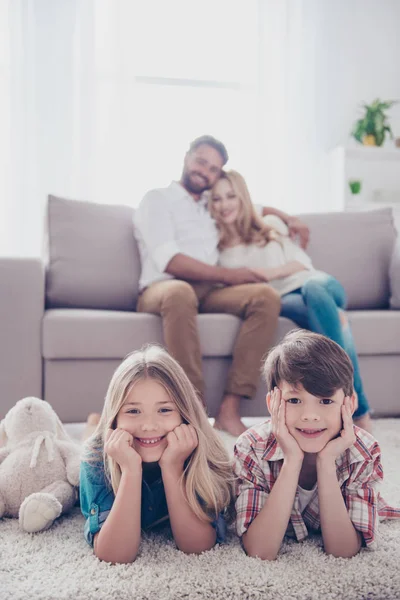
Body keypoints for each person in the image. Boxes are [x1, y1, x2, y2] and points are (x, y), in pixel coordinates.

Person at [134, 135, 310, 437]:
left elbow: (248, 203)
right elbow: (169, 260)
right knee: (180, 292)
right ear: (187, 157)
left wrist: (287, 216)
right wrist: (230, 275)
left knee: (265, 296)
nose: (206, 171)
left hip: (208, 291)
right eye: (201, 161)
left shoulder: (209, 202)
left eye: (214, 169)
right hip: (163, 288)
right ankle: (195, 410)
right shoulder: (157, 199)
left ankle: (230, 408)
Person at [210, 169, 371, 432]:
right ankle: (357, 411)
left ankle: (359, 408)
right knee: (333, 320)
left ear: (242, 198)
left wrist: (266, 274)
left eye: (231, 196)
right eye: (216, 199)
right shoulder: (216, 249)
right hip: (284, 299)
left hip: (316, 283)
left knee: (317, 293)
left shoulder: (269, 224)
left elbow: (302, 263)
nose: (224, 204)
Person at [234, 330, 400, 561]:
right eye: (294, 400)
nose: (310, 415)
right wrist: (292, 461)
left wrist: (326, 462)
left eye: (325, 401)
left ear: (349, 405)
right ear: (273, 403)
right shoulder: (252, 447)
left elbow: (343, 551)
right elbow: (260, 550)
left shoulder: (362, 451)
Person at [80, 345, 233, 564]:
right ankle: (93, 423)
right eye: (133, 411)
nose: (149, 426)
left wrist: (173, 467)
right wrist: (131, 470)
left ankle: (93, 421)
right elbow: (114, 555)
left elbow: (198, 548)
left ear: (184, 415)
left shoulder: (203, 451)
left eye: (164, 410)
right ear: (115, 419)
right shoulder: (96, 457)